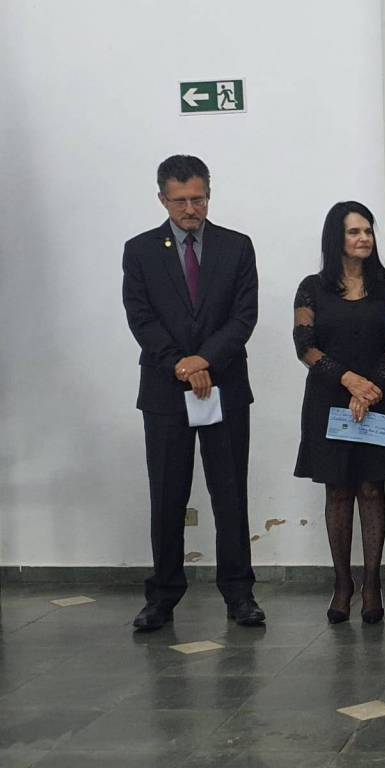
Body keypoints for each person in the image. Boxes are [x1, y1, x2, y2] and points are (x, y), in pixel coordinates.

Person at [122, 154, 264, 631]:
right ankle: (162, 596)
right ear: (162, 199)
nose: (190, 209)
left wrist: (205, 361)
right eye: (180, 200)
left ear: (209, 195)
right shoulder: (140, 251)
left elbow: (244, 316)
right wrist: (181, 365)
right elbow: (141, 318)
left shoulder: (236, 246)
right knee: (167, 495)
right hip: (165, 392)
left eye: (198, 199)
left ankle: (239, 594)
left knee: (230, 493)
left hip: (225, 387)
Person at [293, 201, 385, 625]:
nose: (364, 238)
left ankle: (372, 584)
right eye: (354, 232)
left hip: (379, 396)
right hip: (330, 398)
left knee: (372, 489)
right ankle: (342, 584)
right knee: (339, 490)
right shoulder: (312, 287)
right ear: (336, 238)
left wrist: (370, 388)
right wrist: (350, 382)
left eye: (368, 231)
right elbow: (305, 346)